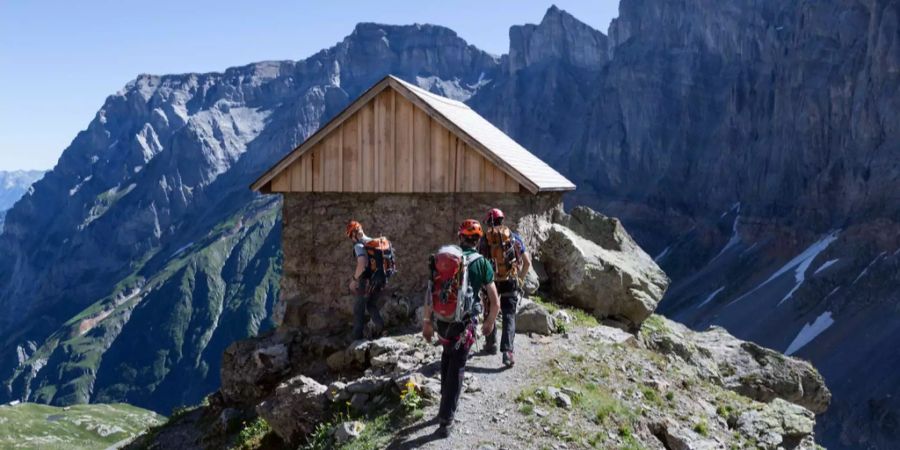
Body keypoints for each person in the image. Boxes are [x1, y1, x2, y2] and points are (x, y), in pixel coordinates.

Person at [422, 219, 500, 438]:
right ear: (478, 240)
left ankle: (443, 408)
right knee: (457, 366)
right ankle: (446, 420)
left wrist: (426, 322)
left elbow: (430, 291)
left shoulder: (445, 260)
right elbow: (495, 301)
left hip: (441, 322)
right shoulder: (482, 263)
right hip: (464, 323)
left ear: (460, 237)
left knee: (447, 357)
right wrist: (490, 322)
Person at [479, 208, 532, 367]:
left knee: (490, 310)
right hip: (510, 280)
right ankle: (508, 352)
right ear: (503, 220)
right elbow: (527, 263)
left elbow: (481, 262)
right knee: (509, 315)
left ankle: (491, 344)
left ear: (488, 222)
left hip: (492, 282)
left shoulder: (484, 240)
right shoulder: (514, 238)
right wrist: (520, 280)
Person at [346, 220, 386, 340]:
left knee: (359, 309)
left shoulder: (359, 245)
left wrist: (354, 280)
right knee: (371, 305)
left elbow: (362, 263)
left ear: (353, 235)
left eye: (350, 236)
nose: (351, 240)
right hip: (379, 279)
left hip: (366, 281)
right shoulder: (374, 242)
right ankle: (382, 330)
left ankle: (356, 338)